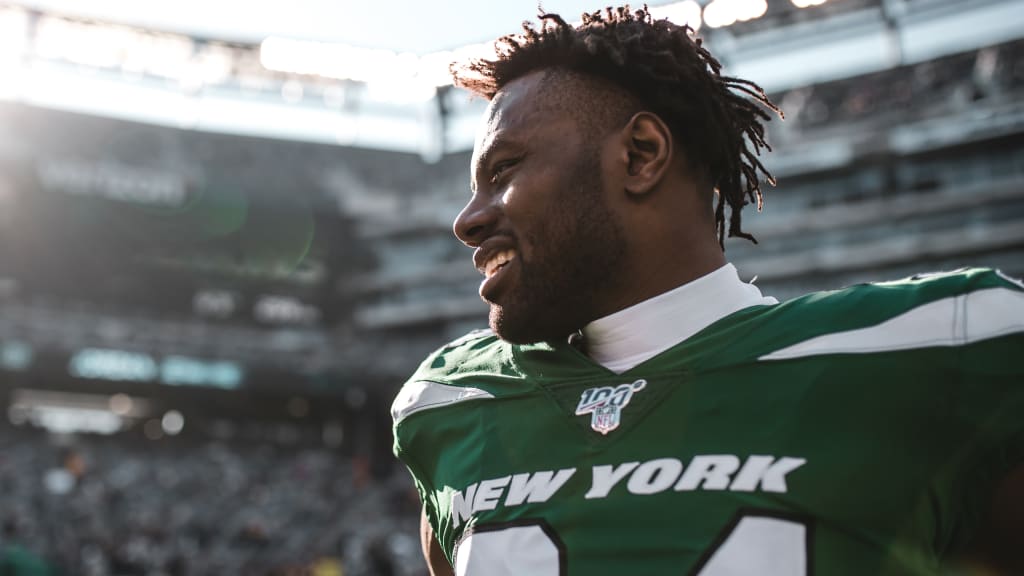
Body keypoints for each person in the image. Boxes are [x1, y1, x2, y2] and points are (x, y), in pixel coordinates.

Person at [390, 6, 1024, 575]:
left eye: (503, 171)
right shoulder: (451, 403)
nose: (466, 220)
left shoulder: (940, 352)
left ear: (641, 155)